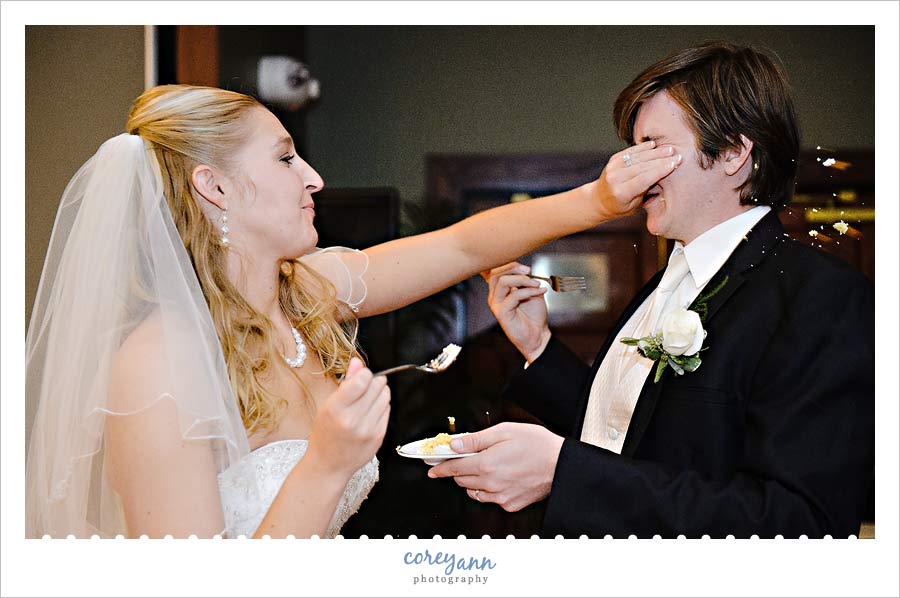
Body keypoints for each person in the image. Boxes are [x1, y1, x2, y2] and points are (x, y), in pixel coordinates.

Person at [24, 84, 680, 539]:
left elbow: (461, 246)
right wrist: (326, 464)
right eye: (285, 157)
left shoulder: (307, 291)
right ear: (214, 185)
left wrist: (598, 201)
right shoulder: (158, 363)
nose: (314, 177)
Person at [429, 42, 875, 538]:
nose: (628, 168)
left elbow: (801, 524)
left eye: (653, 147)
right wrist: (539, 347)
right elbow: (634, 436)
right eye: (633, 148)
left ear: (733, 152)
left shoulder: (822, 298)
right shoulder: (663, 283)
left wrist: (566, 473)